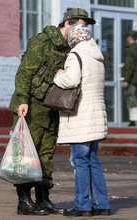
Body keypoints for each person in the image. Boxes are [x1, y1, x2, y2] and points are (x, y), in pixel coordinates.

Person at [9, 8, 96, 216]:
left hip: (50, 109)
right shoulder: (42, 42)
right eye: (80, 25)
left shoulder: (71, 48)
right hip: (30, 108)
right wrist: (22, 100)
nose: (82, 30)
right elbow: (24, 73)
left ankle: (43, 199)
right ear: (67, 24)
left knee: (46, 155)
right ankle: (24, 200)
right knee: (26, 155)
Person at [53, 24, 111, 217]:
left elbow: (71, 81)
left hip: (81, 116)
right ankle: (102, 204)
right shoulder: (97, 57)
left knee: (80, 161)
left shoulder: (75, 55)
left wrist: (58, 75)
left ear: (74, 39)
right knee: (93, 160)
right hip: (96, 115)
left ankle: (82, 206)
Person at [122, 30, 137, 126]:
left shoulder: (130, 49)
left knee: (130, 99)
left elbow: (131, 66)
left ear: (130, 38)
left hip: (132, 79)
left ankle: (132, 121)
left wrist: (126, 79)